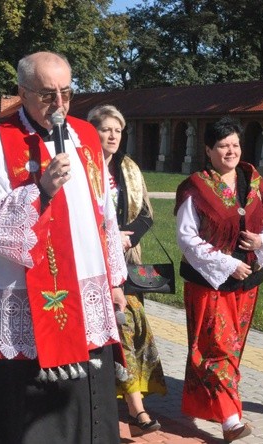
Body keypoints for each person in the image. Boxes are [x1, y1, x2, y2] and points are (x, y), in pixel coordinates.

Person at [0, 51, 128, 444]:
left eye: (66, 92)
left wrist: (114, 281)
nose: (59, 104)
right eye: (47, 94)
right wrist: (39, 191)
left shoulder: (86, 136)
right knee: (28, 411)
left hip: (86, 288)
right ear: (22, 92)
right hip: (28, 294)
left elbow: (106, 214)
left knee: (88, 399)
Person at [174, 117, 263, 443]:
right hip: (210, 282)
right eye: (222, 145)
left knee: (232, 348)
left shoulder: (254, 181)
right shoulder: (195, 187)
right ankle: (231, 420)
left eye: (234, 144)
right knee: (217, 347)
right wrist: (225, 263)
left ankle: (213, 404)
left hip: (248, 282)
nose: (230, 151)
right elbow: (186, 237)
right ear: (208, 151)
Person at [87, 104, 167, 437]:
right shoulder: (83, 167)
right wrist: (107, 235)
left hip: (126, 261)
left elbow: (146, 213)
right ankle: (133, 408)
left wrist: (124, 237)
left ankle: (134, 405)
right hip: (91, 260)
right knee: (109, 332)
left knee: (129, 327)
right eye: (106, 129)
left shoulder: (128, 168)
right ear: (92, 131)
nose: (113, 135)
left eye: (118, 130)